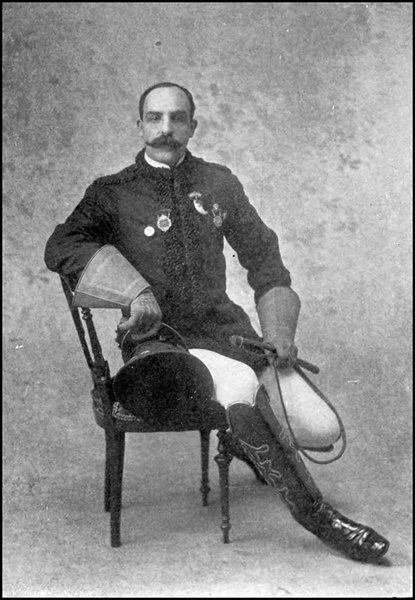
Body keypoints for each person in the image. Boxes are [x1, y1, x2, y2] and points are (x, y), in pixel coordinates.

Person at [44, 81, 389, 562]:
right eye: (155, 118)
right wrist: (133, 290)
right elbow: (62, 246)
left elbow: (265, 260)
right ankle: (322, 519)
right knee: (241, 390)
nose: (166, 128)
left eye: (177, 118)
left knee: (320, 428)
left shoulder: (218, 182)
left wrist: (279, 334)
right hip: (163, 345)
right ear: (139, 125)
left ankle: (247, 441)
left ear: (193, 125)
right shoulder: (112, 193)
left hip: (229, 334)